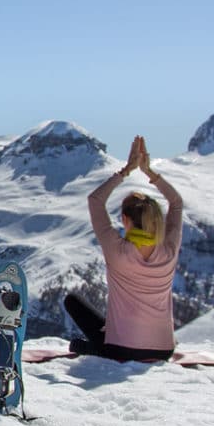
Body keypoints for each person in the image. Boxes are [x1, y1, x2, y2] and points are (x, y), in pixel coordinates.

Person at [65, 135, 184, 362]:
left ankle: (94, 349)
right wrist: (149, 172)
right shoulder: (168, 251)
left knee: (73, 301)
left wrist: (126, 170)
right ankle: (93, 346)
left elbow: (95, 200)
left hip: (122, 350)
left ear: (126, 220)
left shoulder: (117, 250)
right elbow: (176, 203)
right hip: (164, 349)